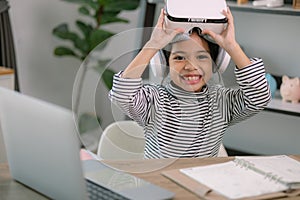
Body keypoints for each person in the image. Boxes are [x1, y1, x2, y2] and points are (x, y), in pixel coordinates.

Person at [109, 8, 271, 159]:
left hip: (202, 186)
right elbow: (121, 94)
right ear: (165, 63)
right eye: (179, 57)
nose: (190, 66)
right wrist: (153, 46)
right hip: (160, 184)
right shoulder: (154, 99)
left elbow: (260, 97)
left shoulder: (222, 101)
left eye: (201, 57)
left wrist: (231, 47)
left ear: (216, 64)